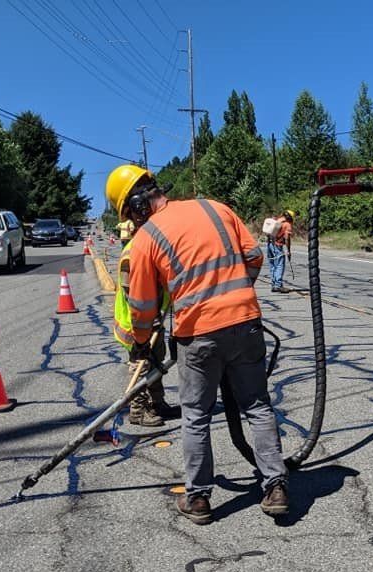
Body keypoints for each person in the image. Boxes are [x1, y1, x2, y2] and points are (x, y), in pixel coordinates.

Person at [104, 164, 289, 524]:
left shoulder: (145, 240)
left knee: (196, 416)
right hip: (246, 323)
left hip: (198, 336)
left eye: (129, 215)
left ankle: (199, 498)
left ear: (137, 206)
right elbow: (253, 257)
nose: (133, 223)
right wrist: (234, 295)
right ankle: (276, 487)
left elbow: (142, 307)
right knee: (258, 406)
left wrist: (141, 342)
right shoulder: (214, 208)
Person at [112, 224, 179, 427]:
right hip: (135, 324)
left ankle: (158, 403)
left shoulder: (153, 248)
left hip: (153, 320)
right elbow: (133, 295)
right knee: (142, 364)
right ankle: (138, 411)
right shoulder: (132, 254)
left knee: (156, 361)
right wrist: (144, 326)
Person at [266, 210, 295, 292]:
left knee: (273, 265)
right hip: (278, 246)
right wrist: (288, 250)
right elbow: (287, 238)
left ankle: (274, 284)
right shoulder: (287, 224)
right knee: (279, 265)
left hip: (270, 245)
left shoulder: (277, 220)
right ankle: (278, 285)